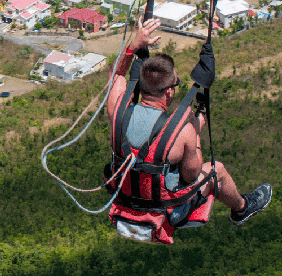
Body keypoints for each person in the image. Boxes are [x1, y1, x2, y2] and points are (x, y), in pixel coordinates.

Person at [105, 18, 271, 238]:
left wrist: (133, 47)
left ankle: (241, 208)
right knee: (216, 169)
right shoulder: (182, 131)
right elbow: (192, 176)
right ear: (169, 92)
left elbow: (116, 76)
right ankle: (242, 208)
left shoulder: (118, 110)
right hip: (166, 210)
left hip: (125, 199)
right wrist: (196, 133)